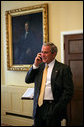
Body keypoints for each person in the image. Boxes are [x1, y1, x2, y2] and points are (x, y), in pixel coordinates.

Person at [25, 42, 74, 126]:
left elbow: (68, 92)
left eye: (46, 52)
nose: (43, 55)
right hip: (38, 107)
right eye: (42, 52)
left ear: (54, 54)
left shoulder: (63, 68)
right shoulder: (39, 67)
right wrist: (35, 65)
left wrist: (57, 108)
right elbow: (28, 80)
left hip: (53, 107)